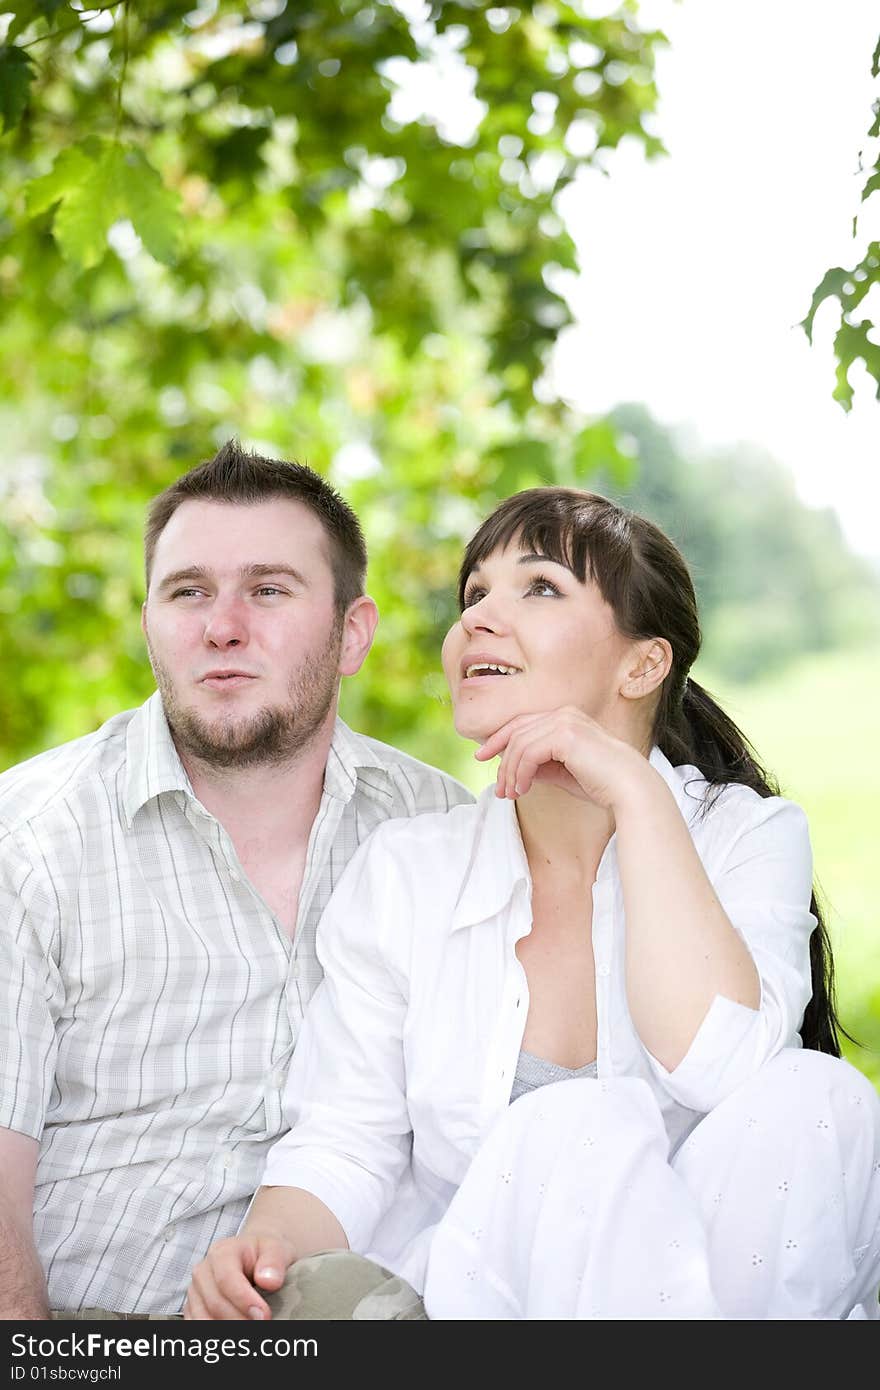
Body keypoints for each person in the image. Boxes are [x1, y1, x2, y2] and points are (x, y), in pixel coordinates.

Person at [187, 486, 880, 1322]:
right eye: (475, 593)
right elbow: (344, 1140)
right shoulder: (409, 871)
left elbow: (719, 1065)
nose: (480, 617)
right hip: (486, 1305)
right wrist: (262, 1251)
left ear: (643, 665)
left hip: (724, 1294)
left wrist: (636, 796)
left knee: (818, 1097)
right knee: (574, 1129)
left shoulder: (749, 837)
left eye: (540, 587)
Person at [0, 440, 472, 1320]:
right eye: (188, 592)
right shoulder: (29, 844)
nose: (222, 625)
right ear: (149, 626)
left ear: (352, 633)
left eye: (267, 589)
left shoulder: (440, 834)